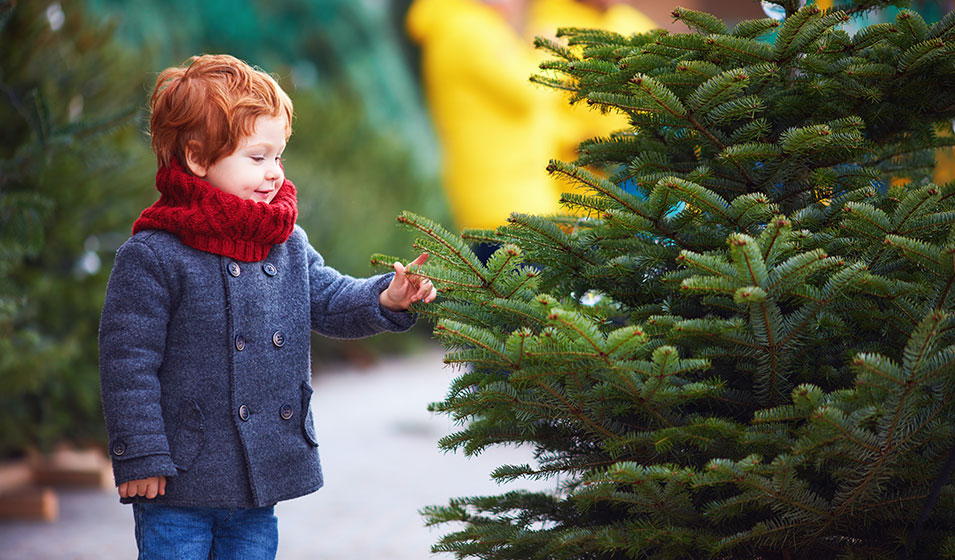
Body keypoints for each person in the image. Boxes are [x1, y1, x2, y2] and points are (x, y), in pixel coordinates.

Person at [98, 54, 436, 559]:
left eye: (278, 156)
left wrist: (386, 296)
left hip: (257, 477)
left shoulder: (286, 242)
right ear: (196, 158)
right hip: (178, 481)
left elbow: (326, 298)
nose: (274, 173)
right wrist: (141, 455)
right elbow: (128, 363)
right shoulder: (154, 254)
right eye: (257, 158)